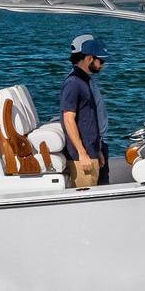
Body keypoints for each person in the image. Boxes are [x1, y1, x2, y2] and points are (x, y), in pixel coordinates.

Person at [58, 34, 110, 188]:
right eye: (101, 61)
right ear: (89, 59)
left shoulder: (85, 81)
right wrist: (82, 153)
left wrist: (98, 149)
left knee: (102, 195)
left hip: (93, 150)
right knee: (88, 204)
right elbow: (68, 119)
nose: (102, 65)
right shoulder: (73, 83)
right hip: (83, 156)